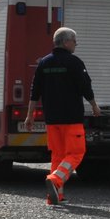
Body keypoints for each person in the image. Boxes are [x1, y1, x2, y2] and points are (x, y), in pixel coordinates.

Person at [23, 27, 102, 206]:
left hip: (52, 120)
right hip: (71, 119)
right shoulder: (75, 63)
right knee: (76, 153)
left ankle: (54, 196)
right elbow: (85, 87)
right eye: (74, 41)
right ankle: (56, 178)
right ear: (66, 42)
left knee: (57, 156)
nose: (76, 44)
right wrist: (94, 106)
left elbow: (35, 92)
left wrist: (30, 116)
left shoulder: (43, 63)